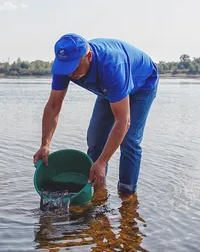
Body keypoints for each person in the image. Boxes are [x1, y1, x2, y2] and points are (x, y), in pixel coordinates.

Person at [33, 33, 158, 194]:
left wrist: (103, 161)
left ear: (89, 57)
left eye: (74, 67)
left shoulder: (111, 66)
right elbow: (53, 105)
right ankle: (97, 192)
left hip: (142, 84)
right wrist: (45, 144)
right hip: (109, 89)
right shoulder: (63, 68)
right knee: (95, 140)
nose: (70, 74)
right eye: (66, 68)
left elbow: (123, 121)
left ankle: (127, 197)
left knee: (129, 141)